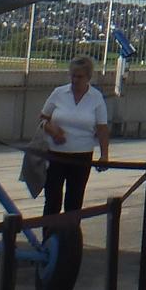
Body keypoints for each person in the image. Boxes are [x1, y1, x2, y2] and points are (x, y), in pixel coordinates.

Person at [38, 55, 110, 219]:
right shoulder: (59, 93)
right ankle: (49, 238)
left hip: (81, 156)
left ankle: (69, 239)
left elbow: (102, 128)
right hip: (55, 154)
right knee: (52, 199)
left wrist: (104, 155)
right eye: (73, 76)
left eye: (80, 77)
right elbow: (43, 118)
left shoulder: (96, 97)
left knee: (74, 200)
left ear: (88, 77)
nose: (75, 80)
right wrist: (52, 130)